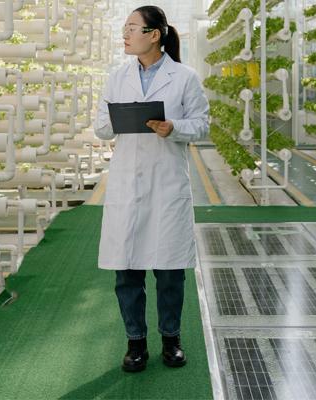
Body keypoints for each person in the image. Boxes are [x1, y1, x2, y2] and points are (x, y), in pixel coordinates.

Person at [93, 5, 210, 373]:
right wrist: (116, 120)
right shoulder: (117, 77)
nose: (125, 35)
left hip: (166, 183)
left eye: (132, 28)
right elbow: (100, 126)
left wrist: (172, 127)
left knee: (169, 270)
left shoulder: (185, 77)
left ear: (154, 34)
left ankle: (171, 339)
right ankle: (136, 343)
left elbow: (202, 125)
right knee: (127, 271)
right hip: (128, 183)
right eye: (125, 28)